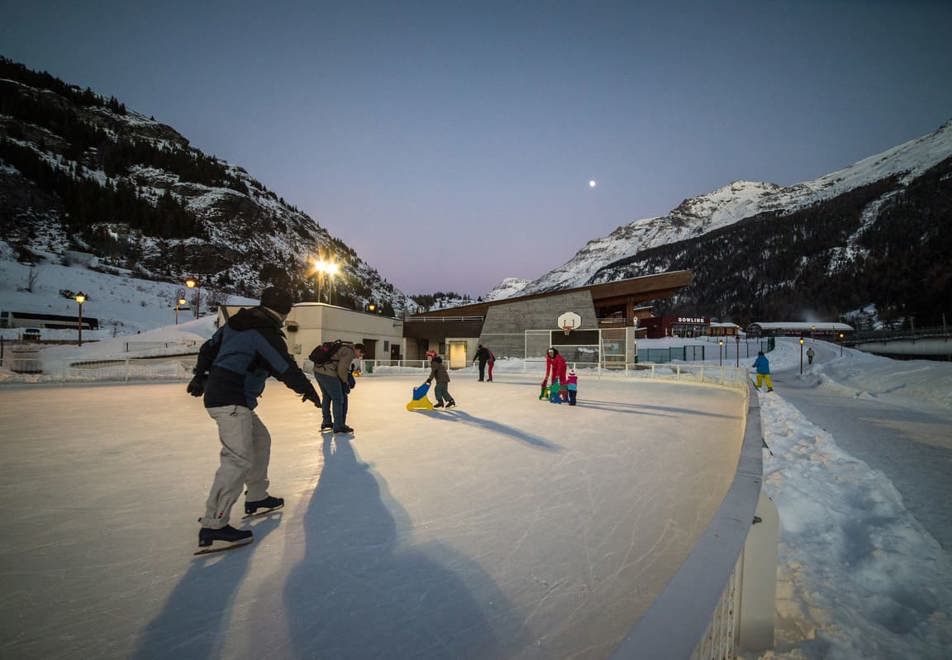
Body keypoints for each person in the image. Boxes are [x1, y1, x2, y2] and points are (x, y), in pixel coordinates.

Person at [188, 286, 321, 553]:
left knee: (260, 440)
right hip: (231, 399)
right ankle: (214, 526)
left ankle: (257, 497)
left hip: (231, 397)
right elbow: (283, 366)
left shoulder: (237, 324)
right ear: (283, 311)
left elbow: (208, 349)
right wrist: (307, 390)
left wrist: (200, 376)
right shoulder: (263, 331)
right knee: (237, 458)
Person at [314, 341, 364, 434]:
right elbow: (342, 370)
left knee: (327, 396)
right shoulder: (349, 352)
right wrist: (345, 383)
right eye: (360, 354)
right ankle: (339, 425)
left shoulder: (343, 347)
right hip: (328, 374)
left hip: (318, 371)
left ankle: (327, 422)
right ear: (357, 349)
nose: (359, 356)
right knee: (338, 398)